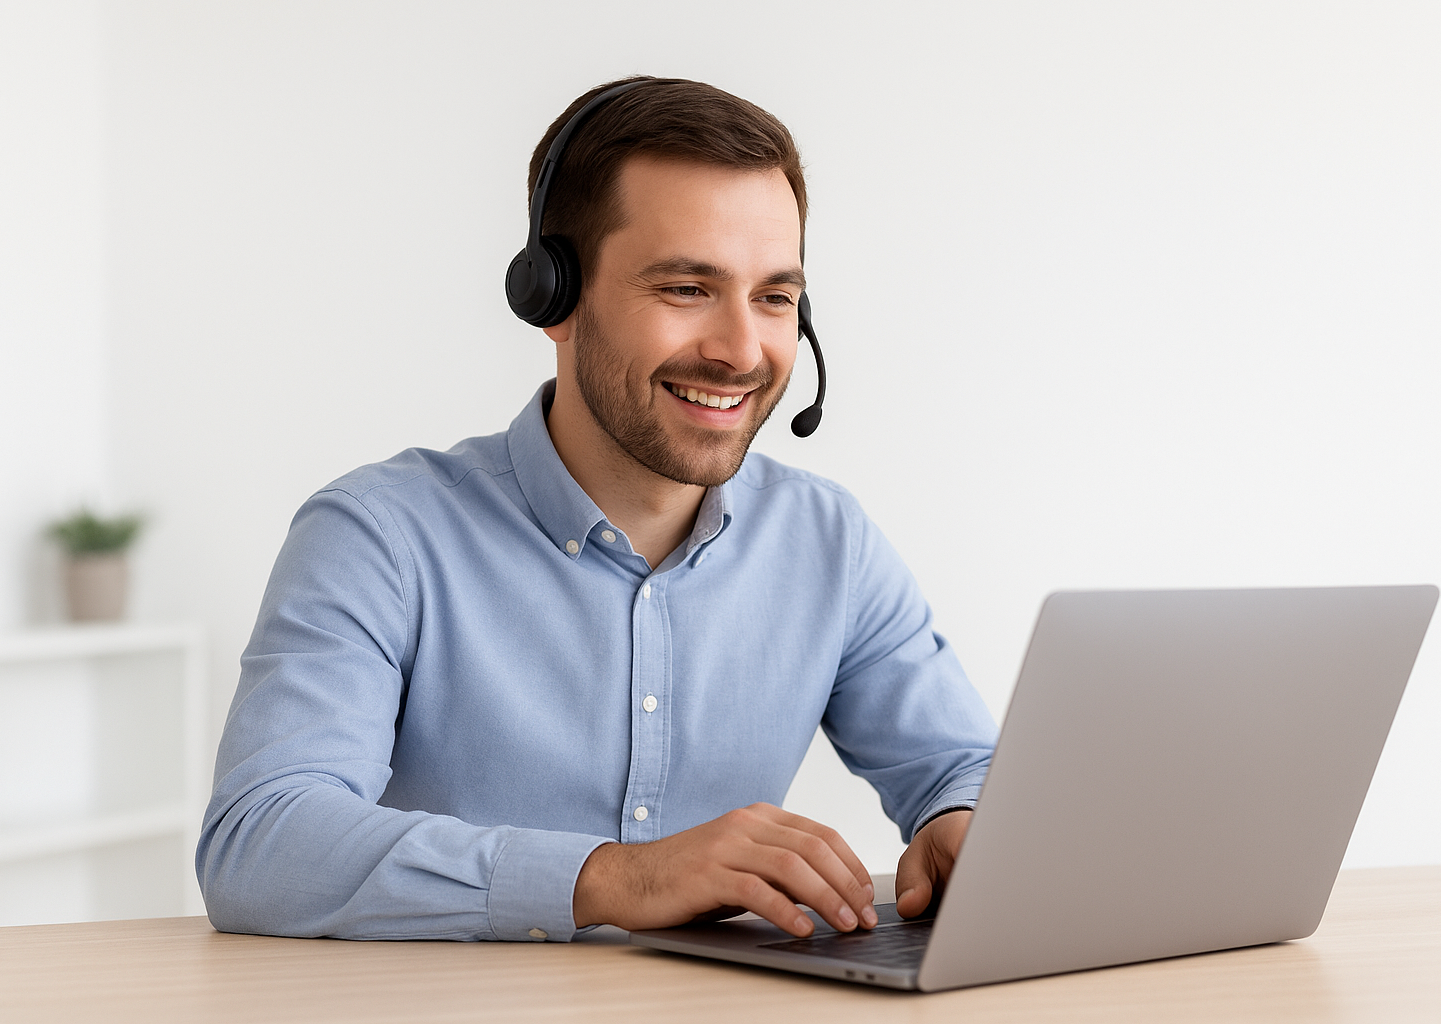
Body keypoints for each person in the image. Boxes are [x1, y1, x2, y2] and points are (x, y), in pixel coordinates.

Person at [197, 76, 998, 943]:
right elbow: (260, 842)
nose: (741, 351)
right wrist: (614, 878)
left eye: (774, 298)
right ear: (553, 296)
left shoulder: (827, 542)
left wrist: (965, 821)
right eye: (688, 288)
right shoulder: (379, 536)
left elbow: (963, 764)